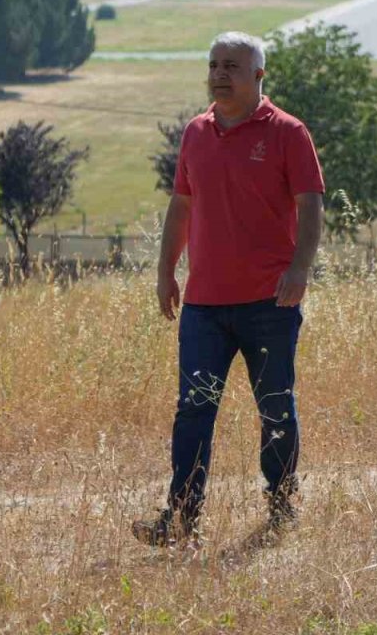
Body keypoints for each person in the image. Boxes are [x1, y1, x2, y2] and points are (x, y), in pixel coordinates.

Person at [132, 31, 324, 548]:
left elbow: (311, 206)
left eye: (231, 66)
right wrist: (165, 270)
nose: (219, 74)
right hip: (204, 306)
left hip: (270, 302)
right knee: (194, 409)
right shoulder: (195, 132)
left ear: (258, 76)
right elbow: (181, 205)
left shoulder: (288, 132)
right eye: (214, 64)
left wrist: (300, 269)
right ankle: (181, 519)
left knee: (275, 405)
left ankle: (282, 503)